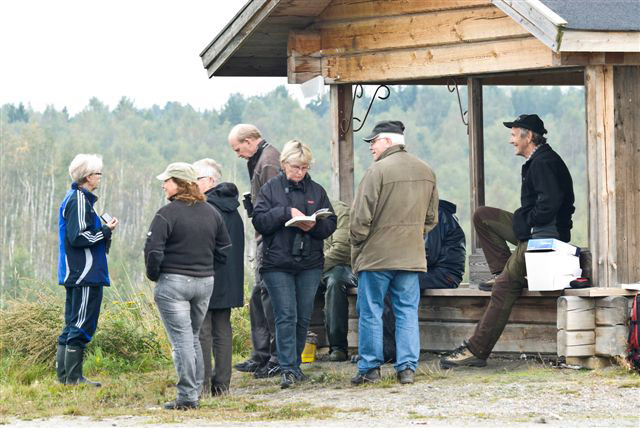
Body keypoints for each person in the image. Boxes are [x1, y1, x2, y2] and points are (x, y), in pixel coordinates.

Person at [441, 114, 575, 368]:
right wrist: (524, 222)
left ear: (529, 136)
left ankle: (476, 350)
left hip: (545, 238)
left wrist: (528, 224)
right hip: (533, 229)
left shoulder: (544, 162)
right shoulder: (536, 160)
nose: (510, 140)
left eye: (514, 134)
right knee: (483, 216)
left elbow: (550, 205)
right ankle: (503, 271)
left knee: (503, 288)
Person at [350, 120, 438, 386]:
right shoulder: (426, 170)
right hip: (411, 256)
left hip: (376, 257)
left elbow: (359, 218)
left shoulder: (377, 171)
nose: (371, 148)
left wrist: (359, 242)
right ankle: (407, 368)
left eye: (374, 142)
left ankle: (370, 368)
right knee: (407, 312)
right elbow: (432, 218)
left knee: (371, 311)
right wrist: (412, 235)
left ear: (388, 141)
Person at [144, 162, 231, 410]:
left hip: (174, 283)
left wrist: (155, 276)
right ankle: (195, 392)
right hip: (204, 282)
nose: (163, 185)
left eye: (167, 181)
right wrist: (207, 268)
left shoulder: (166, 214)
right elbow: (224, 249)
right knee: (191, 337)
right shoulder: (211, 212)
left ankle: (187, 397)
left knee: (182, 340)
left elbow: (153, 251)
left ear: (180, 184)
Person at [252, 140, 337, 388]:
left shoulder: (317, 191)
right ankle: (286, 366)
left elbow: (330, 224)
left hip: (309, 262)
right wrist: (285, 213)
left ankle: (295, 364)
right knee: (285, 314)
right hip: (277, 262)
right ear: (284, 164)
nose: (299, 172)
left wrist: (314, 225)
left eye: (304, 167)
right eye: (295, 167)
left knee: (302, 316)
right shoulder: (270, 189)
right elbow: (259, 222)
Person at [56, 154, 119, 387]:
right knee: (81, 324)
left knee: (72, 323)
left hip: (77, 272)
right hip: (85, 273)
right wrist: (105, 231)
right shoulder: (79, 200)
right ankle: (73, 379)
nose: (100, 177)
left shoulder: (75, 198)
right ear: (87, 176)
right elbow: (78, 236)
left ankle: (65, 378)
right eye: (98, 173)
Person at [381, 199, 466, 363]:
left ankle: (390, 351)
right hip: (432, 270)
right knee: (387, 283)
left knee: (396, 286)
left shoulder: (437, 214)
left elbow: (429, 255)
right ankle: (387, 348)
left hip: (445, 273)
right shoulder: (428, 212)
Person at [228, 124, 281, 378]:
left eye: (238, 148)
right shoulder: (261, 159)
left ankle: (273, 356)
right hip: (264, 235)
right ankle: (261, 355)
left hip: (270, 239)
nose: (237, 154)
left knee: (267, 297)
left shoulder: (269, 162)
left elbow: (274, 203)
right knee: (258, 297)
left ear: (250, 141)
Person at [193, 158, 244, 396]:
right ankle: (222, 384)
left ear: (211, 181)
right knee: (223, 330)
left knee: (203, 331)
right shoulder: (233, 209)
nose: (193, 184)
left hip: (208, 275)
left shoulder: (206, 209)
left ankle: (202, 385)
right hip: (230, 279)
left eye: (197, 179)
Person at [319, 199, 356, 362]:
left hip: (340, 266)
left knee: (335, 282)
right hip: (313, 267)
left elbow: (341, 250)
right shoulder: (292, 212)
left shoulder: (339, 210)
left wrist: (313, 266)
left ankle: (338, 347)